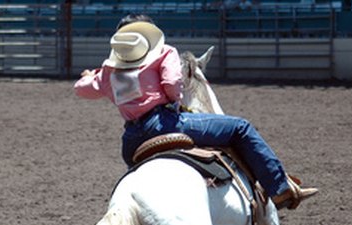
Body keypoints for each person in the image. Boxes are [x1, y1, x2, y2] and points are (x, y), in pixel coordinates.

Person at [74, 14, 317, 209]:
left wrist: (93, 75)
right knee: (240, 128)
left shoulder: (109, 69)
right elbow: (171, 86)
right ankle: (279, 188)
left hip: (131, 140)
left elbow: (82, 89)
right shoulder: (164, 52)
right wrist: (173, 101)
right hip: (164, 123)